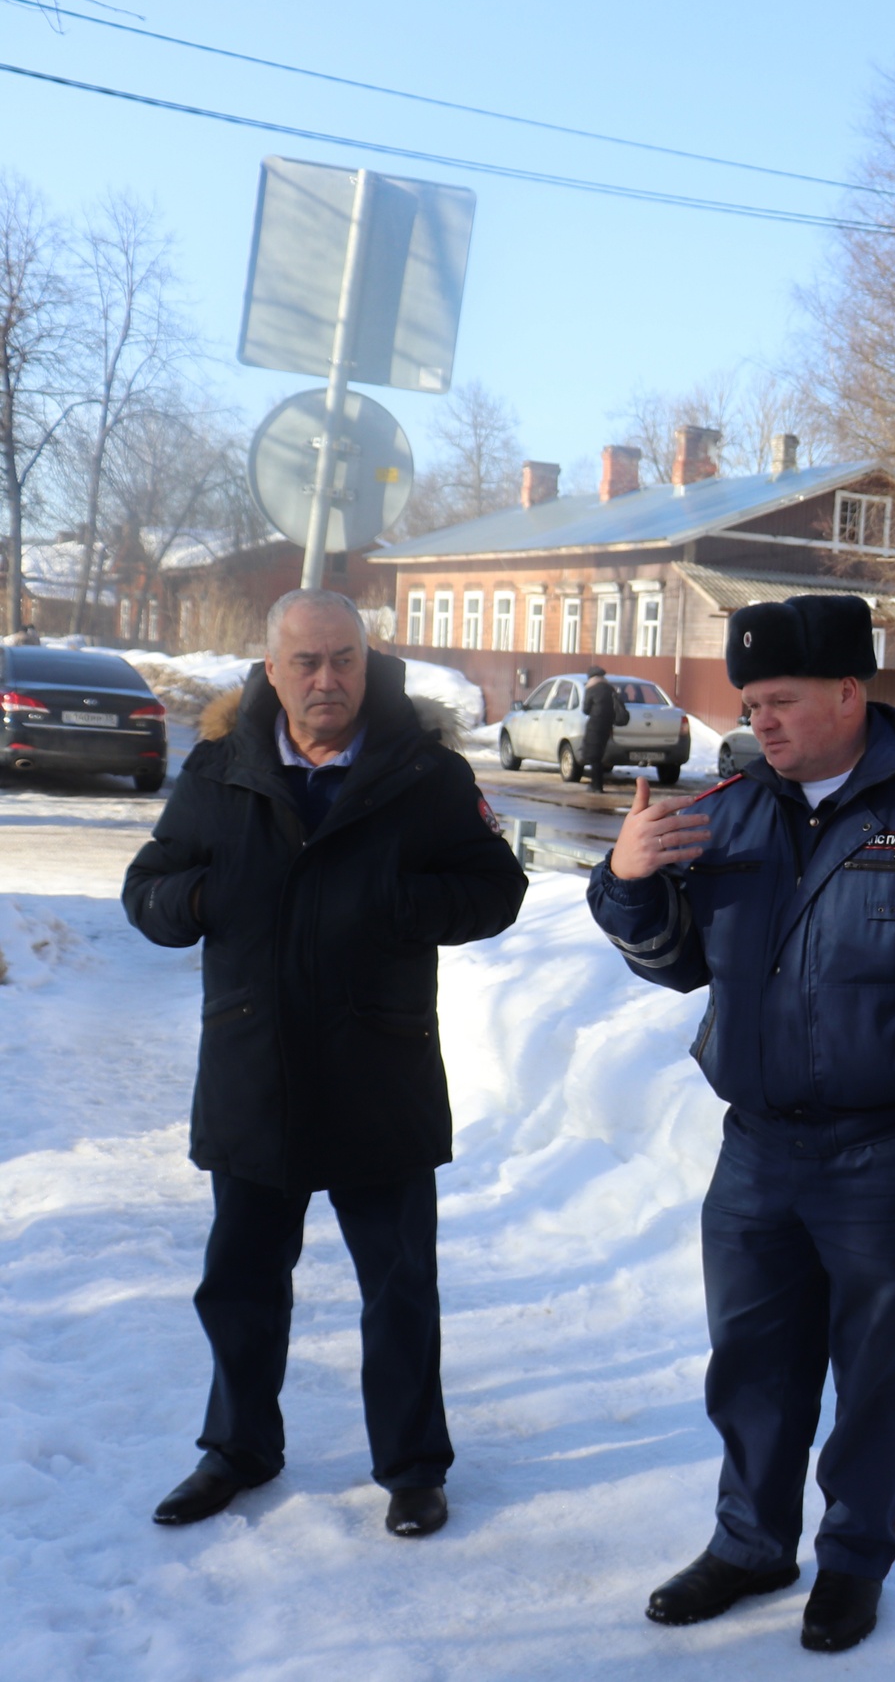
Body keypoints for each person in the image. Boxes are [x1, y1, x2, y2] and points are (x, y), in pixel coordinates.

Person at [588, 593, 895, 1654]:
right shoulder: (733, 808)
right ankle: (751, 1543)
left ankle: (852, 1560)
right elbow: (679, 967)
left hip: (887, 1150)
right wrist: (628, 885)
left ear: (850, 691)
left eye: (782, 702)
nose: (762, 724)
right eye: (750, 705)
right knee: (749, 1361)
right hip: (755, 1146)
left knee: (875, 1373)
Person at [121, 588, 527, 1538]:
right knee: (241, 1282)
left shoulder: (421, 771)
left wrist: (401, 901)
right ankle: (236, 1449)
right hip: (253, 1069)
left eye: (343, 658)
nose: (326, 678)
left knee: (398, 1287)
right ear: (272, 670)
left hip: (376, 1069)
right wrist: (207, 896)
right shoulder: (221, 771)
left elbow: (495, 888)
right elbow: (147, 890)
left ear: (366, 659)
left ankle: (413, 1467)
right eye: (305, 662)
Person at [579, 664, 626, 792]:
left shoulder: (591, 689)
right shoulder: (610, 689)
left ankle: (596, 785)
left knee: (593, 757)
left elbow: (586, 709)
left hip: (594, 726)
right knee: (598, 755)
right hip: (607, 726)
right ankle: (596, 784)